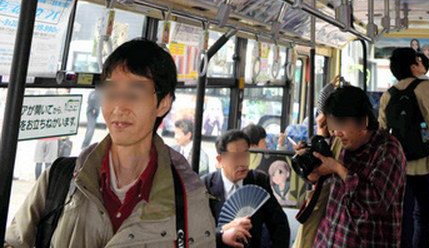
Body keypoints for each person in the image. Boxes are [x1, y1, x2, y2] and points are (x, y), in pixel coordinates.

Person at [5, 38, 225, 248]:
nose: (119, 107)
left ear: (163, 104)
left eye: (134, 93)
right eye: (111, 92)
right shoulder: (60, 179)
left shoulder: (188, 197)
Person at [379, 47, 429, 248]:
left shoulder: (388, 95)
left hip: (400, 166)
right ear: (413, 67)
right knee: (424, 217)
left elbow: (382, 131)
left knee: (404, 218)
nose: (422, 63)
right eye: (418, 60)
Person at [311, 86, 406, 248]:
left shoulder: (388, 150)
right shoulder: (339, 143)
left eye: (342, 124)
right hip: (328, 239)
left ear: (363, 121)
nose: (337, 132)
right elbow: (319, 180)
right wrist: (312, 166)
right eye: (334, 125)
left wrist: (339, 169)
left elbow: (375, 202)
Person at [203, 129, 290, 248]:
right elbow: (199, 234)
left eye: (245, 155)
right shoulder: (205, 186)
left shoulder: (259, 181)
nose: (243, 163)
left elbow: (279, 224)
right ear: (220, 160)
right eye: (236, 157)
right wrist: (222, 232)